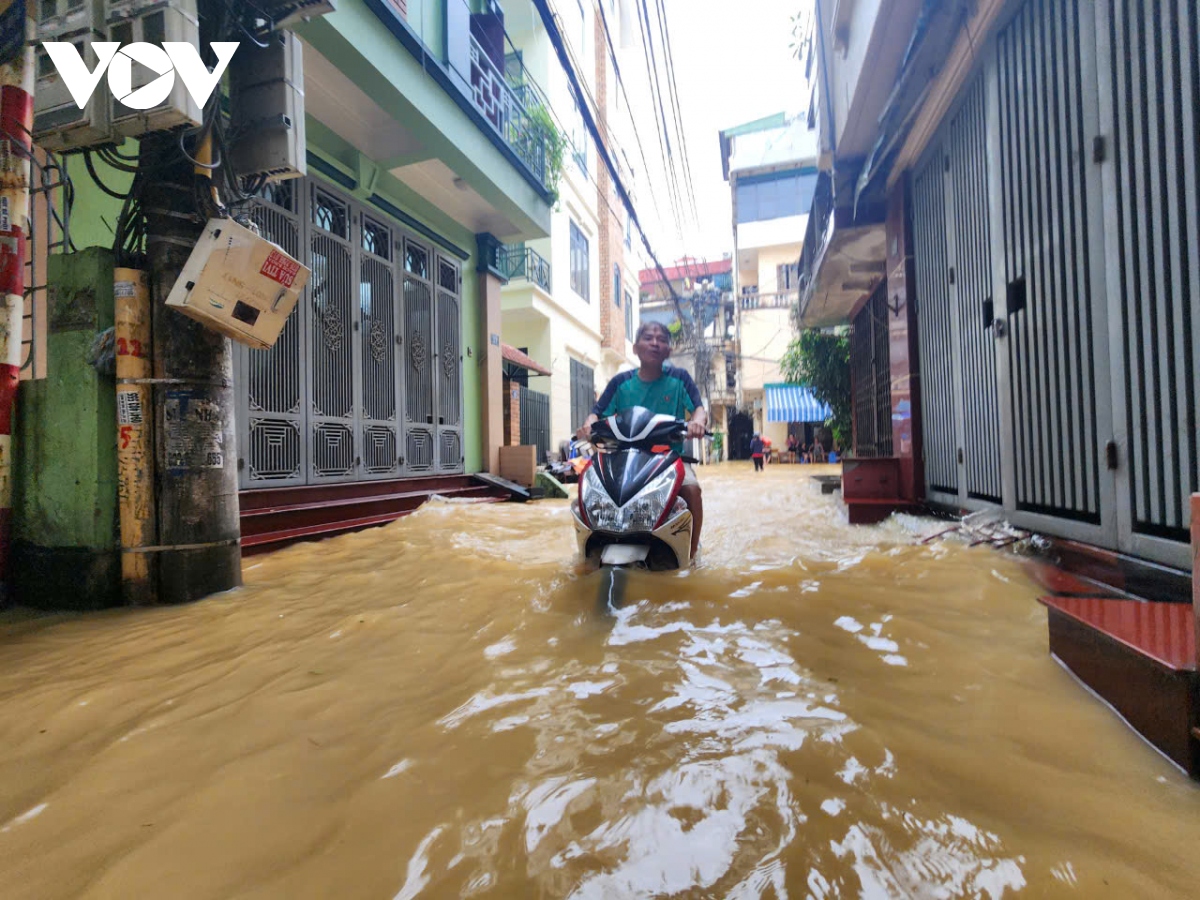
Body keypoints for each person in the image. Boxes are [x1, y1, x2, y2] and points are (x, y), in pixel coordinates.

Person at [576, 321, 708, 561]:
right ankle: (589, 549)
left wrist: (698, 421)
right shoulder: (620, 382)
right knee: (585, 492)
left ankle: (692, 552)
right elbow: (597, 412)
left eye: (661, 339)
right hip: (621, 457)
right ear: (635, 348)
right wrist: (588, 425)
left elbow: (698, 408)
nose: (655, 343)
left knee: (692, 490)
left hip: (668, 458)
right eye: (648, 338)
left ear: (668, 350)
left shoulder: (680, 378)